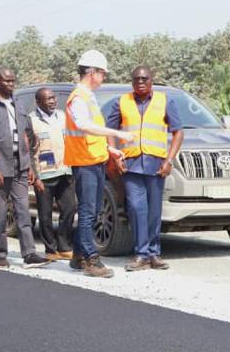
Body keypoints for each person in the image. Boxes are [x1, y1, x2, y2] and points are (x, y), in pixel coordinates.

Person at [105, 66, 184, 272]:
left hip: (156, 166)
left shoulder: (165, 100)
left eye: (144, 78)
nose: (140, 82)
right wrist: (114, 153)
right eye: (136, 79)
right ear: (132, 82)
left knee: (153, 211)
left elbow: (178, 132)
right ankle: (141, 254)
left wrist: (169, 160)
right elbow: (110, 131)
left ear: (151, 81)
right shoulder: (121, 102)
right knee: (136, 209)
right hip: (130, 166)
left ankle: (154, 254)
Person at [64, 50, 136, 278]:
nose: (103, 78)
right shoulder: (78, 98)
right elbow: (84, 126)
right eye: (102, 74)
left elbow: (91, 135)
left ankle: (78, 255)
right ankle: (90, 259)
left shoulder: (89, 97)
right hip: (84, 163)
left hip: (95, 159)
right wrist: (116, 133)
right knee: (88, 212)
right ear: (92, 73)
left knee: (92, 211)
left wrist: (110, 149)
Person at [0, 67, 49, 269]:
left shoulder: (19, 103)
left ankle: (29, 253)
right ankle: (0, 254)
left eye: (13, 81)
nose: (11, 84)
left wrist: (30, 165)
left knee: (23, 211)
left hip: (20, 166)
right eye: (7, 81)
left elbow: (26, 135)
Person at [29, 88, 77, 260]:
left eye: (53, 98)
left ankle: (64, 246)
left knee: (70, 209)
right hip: (44, 175)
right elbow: (27, 150)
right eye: (47, 99)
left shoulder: (62, 116)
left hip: (65, 171)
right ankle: (50, 249)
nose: (52, 101)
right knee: (45, 214)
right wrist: (34, 176)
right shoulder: (32, 120)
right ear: (38, 102)